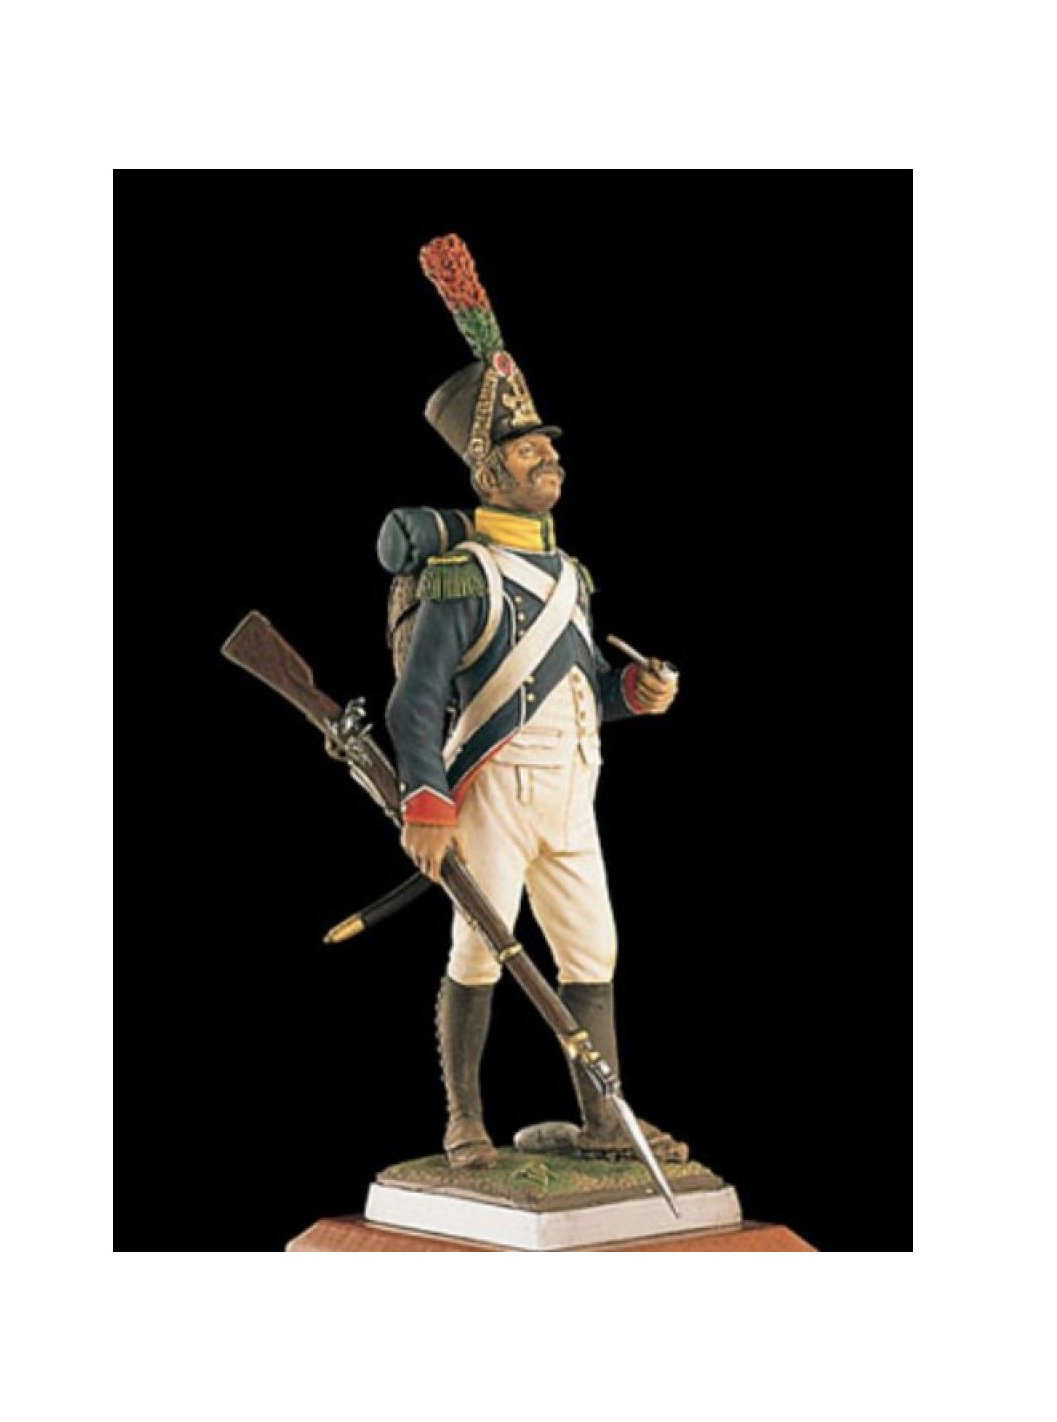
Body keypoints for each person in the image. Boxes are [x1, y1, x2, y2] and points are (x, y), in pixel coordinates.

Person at [383, 234, 683, 1169]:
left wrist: (634, 692)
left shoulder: (571, 577)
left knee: (593, 953)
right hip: (493, 793)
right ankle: (465, 1122)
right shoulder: (460, 577)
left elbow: (575, 689)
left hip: (572, 793)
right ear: (491, 474)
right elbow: (415, 704)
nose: (549, 454)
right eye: (528, 448)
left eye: (545, 445)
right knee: (479, 952)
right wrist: (426, 800)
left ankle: (604, 1122)